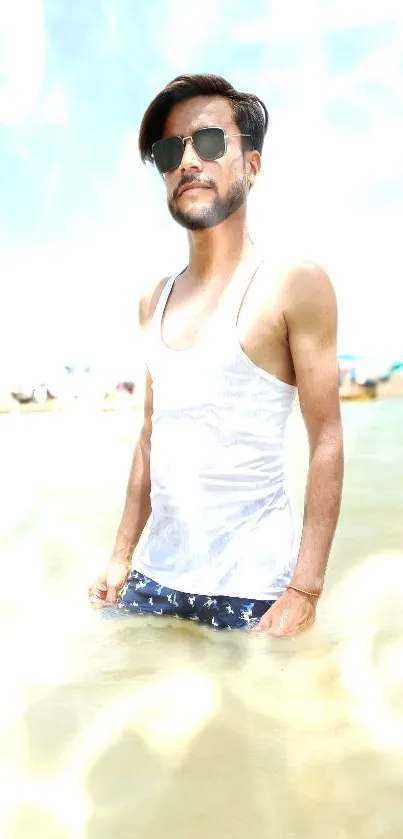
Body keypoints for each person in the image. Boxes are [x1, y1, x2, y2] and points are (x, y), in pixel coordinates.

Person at [88, 74, 344, 635]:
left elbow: (325, 438)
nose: (186, 161)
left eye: (207, 143)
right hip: (153, 581)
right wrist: (120, 555)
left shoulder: (293, 283)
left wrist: (305, 590)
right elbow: (151, 436)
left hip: (252, 594)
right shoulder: (153, 299)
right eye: (168, 150)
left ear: (251, 165)